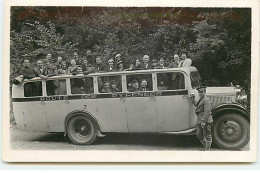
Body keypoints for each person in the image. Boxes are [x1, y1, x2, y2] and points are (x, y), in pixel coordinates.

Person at [189, 86, 213, 151]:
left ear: (205, 92)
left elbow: (207, 111)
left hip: (205, 121)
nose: (200, 93)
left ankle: (207, 149)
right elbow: (198, 106)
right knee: (199, 135)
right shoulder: (202, 99)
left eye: (202, 92)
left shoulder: (206, 100)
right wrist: (193, 100)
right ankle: (206, 147)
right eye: (199, 92)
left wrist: (204, 121)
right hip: (200, 120)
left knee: (207, 136)